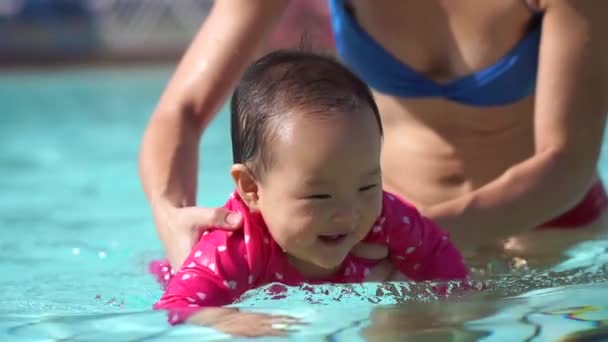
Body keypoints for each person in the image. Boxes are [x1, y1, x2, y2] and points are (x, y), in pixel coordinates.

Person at [138, 0, 608, 272]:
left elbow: (566, 161)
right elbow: (180, 111)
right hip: (375, 238)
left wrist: (419, 237)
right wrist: (171, 218)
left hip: (545, 233)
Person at [152, 50, 469, 331]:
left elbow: (437, 253)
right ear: (252, 190)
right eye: (319, 196)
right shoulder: (236, 245)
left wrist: (453, 303)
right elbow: (177, 304)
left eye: (367, 185)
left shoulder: (385, 216)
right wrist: (226, 319)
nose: (349, 212)